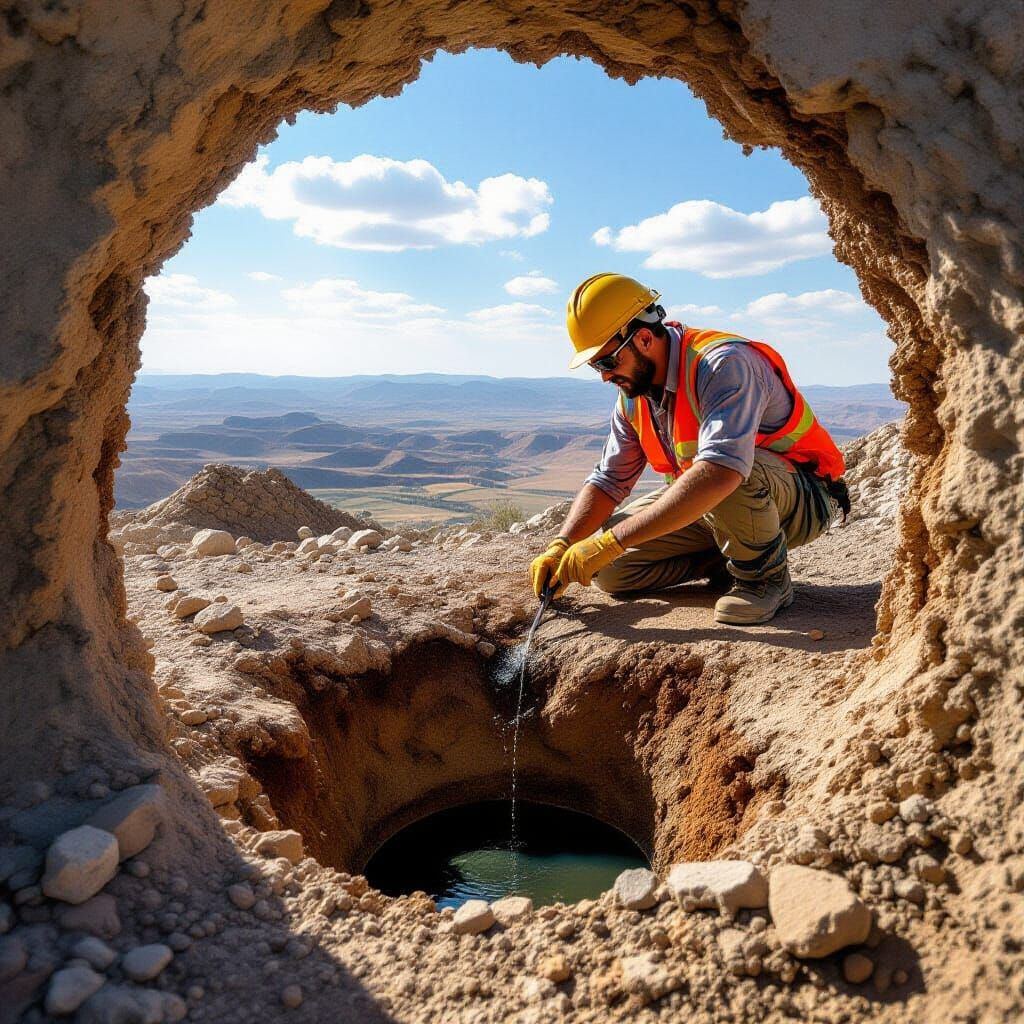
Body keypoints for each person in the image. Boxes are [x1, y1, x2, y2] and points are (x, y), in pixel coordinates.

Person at [530, 273, 850, 624]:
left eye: (607, 362)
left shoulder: (723, 365)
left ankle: (765, 581)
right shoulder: (634, 397)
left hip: (802, 500)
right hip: (720, 509)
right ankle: (730, 559)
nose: (604, 376)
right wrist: (562, 544)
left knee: (725, 472)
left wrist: (611, 542)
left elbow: (720, 473)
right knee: (610, 572)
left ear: (644, 338)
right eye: (596, 366)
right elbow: (608, 481)